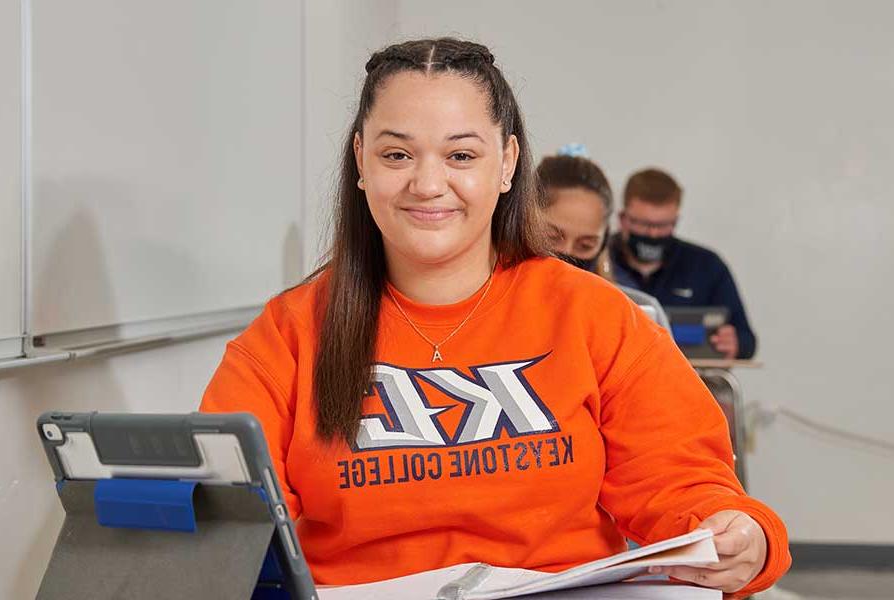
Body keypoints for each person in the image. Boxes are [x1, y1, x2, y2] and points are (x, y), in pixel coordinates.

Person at [200, 38, 789, 596]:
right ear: (361, 160)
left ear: (506, 163)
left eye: (461, 155)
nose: (428, 184)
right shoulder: (288, 334)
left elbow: (681, 479)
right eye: (397, 153)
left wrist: (739, 534)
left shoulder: (593, 316)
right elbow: (228, 519)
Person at [610, 168, 757, 359]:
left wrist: (735, 343)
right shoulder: (600, 258)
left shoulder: (707, 266)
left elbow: (747, 340)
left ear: (675, 221)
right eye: (643, 224)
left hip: (689, 378)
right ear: (623, 220)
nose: (653, 234)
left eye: (663, 225)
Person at [537, 146, 670, 330]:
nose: (567, 253)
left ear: (603, 242)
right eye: (551, 237)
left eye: (585, 245)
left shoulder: (637, 309)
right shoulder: (492, 301)